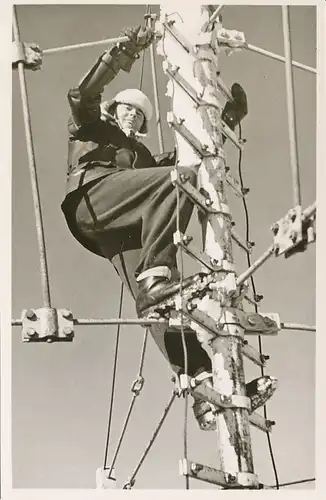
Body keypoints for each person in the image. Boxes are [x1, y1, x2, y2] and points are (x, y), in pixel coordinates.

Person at [61, 24, 276, 431]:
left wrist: (224, 119)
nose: (132, 114)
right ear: (113, 109)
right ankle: (156, 274)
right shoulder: (91, 127)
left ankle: (208, 389)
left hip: (120, 230)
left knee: (161, 309)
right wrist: (122, 52)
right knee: (180, 181)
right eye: (126, 107)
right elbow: (82, 94)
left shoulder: (141, 155)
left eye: (139, 113)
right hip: (93, 197)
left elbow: (194, 151)